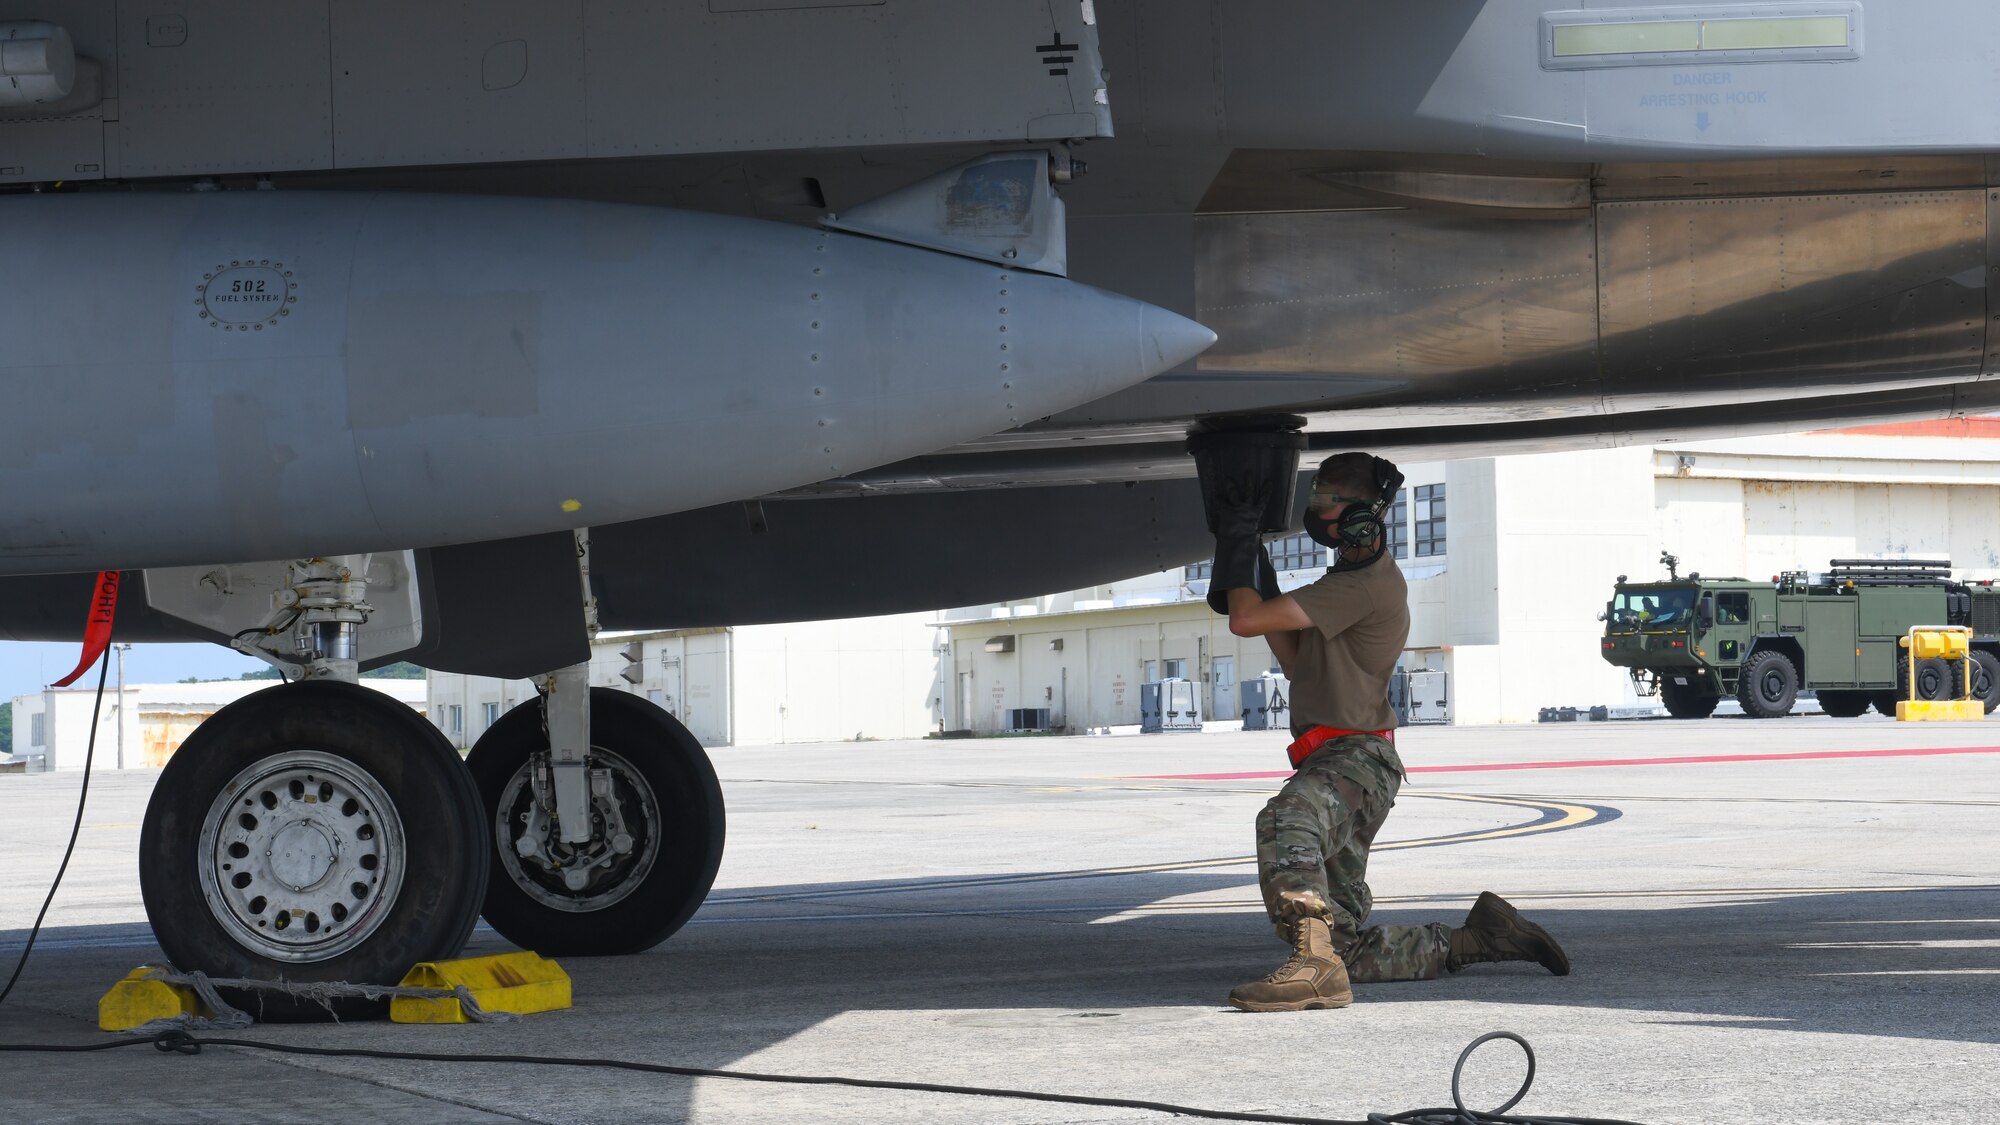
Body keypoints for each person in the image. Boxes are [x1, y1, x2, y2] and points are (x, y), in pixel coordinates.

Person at [1205, 452, 1570, 1013]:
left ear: (1363, 518)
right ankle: (1479, 939)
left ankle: (1310, 962)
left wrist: (1234, 543)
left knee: (1289, 818)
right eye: (1316, 499)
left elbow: (1245, 621)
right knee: (1344, 948)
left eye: (1329, 503)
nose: (1318, 513)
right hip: (1343, 756)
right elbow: (1298, 662)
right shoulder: (1346, 581)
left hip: (1354, 757)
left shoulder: (1366, 586)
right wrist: (1256, 574)